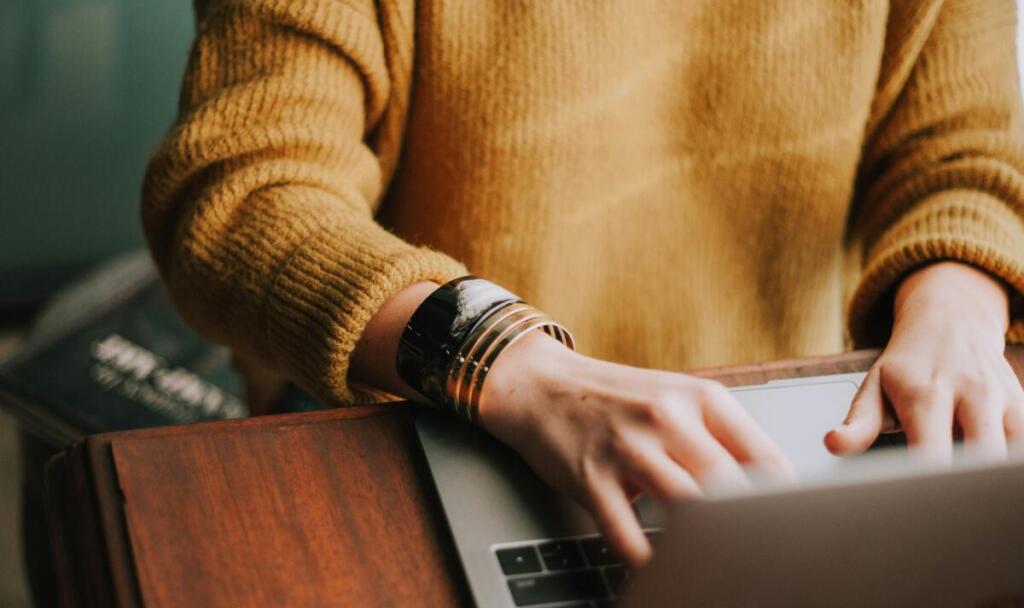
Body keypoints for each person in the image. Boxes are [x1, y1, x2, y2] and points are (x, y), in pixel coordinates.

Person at [143, 0, 1024, 566]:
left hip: (791, 448)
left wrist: (957, 306)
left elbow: (964, 152)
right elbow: (240, 192)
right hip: (439, 428)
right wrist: (513, 366)